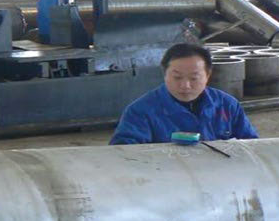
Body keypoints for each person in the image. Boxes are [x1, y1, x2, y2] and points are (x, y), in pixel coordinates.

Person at [109, 43, 258, 145]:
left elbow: (252, 146)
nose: (185, 85)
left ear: (208, 75)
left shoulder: (227, 105)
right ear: (164, 74)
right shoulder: (140, 112)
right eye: (177, 77)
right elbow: (123, 155)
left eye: (194, 78)